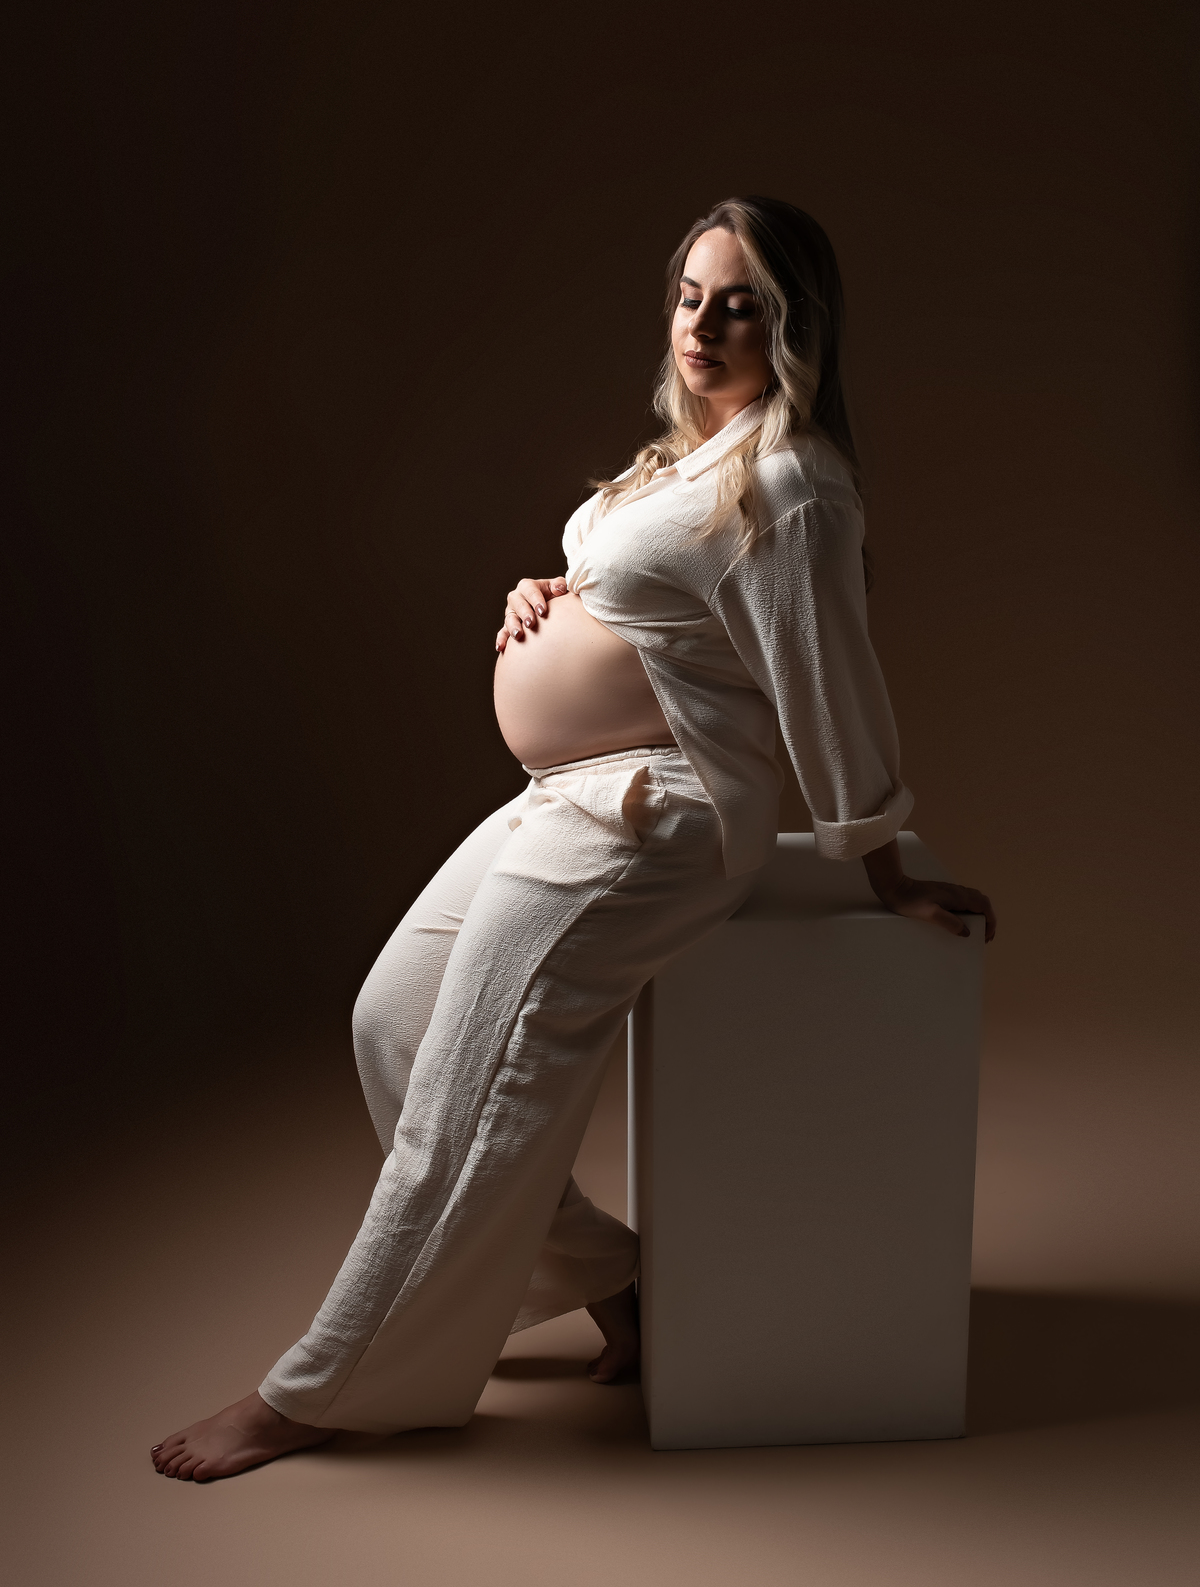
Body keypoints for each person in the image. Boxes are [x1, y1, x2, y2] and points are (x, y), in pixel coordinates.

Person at [151, 196, 995, 1482]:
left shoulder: (791, 483)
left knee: (466, 1090)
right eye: (691, 297)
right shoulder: (688, 457)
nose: (703, 326)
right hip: (576, 790)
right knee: (394, 1021)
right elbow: (662, 603)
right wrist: (556, 589)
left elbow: (828, 676)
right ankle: (614, 1281)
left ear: (796, 328)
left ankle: (324, 1391)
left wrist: (881, 862)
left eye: (742, 305)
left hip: (655, 813)